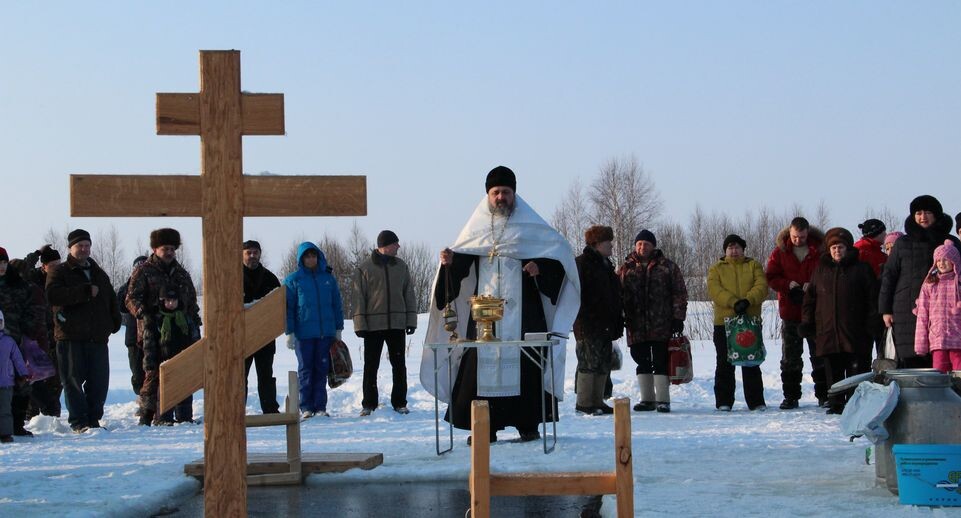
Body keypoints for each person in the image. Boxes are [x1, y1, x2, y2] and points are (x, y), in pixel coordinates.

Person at [420, 166, 580, 444]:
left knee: (526, 369)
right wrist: (449, 263)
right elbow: (460, 267)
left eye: (506, 192)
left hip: (524, 315)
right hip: (483, 317)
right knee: (478, 368)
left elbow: (558, 259)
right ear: (488, 196)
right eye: (496, 192)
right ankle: (484, 427)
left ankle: (527, 424)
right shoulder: (476, 230)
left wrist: (539, 267)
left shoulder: (530, 228)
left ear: (515, 195)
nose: (501, 197)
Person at [46, 229, 121, 433]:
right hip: (70, 336)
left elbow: (110, 299)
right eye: (80, 245)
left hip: (97, 337)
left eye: (87, 245)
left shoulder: (98, 273)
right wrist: (84, 292)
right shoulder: (59, 272)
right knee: (73, 381)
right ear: (70, 248)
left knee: (99, 382)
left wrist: (114, 320)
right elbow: (53, 295)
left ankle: (94, 420)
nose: (84, 249)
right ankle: (79, 422)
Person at [126, 229, 201, 422]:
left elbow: (191, 300)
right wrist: (144, 314)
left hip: (180, 331)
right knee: (153, 375)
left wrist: (193, 321)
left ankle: (183, 416)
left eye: (172, 249)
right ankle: (147, 416)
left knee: (182, 373)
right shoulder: (143, 271)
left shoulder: (182, 274)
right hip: (153, 331)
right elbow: (131, 298)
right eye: (164, 248)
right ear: (154, 249)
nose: (169, 252)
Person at [801, 228, 878, 414]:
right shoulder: (820, 270)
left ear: (848, 248)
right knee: (832, 371)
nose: (837, 251)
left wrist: (872, 323)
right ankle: (835, 403)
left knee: (856, 370)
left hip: (856, 332)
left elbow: (872, 299)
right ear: (829, 249)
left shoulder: (862, 269)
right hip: (827, 331)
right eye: (834, 247)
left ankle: (855, 405)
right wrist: (807, 322)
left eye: (841, 247)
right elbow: (810, 300)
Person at [879, 195, 961, 368]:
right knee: (912, 361)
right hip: (906, 310)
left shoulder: (951, 243)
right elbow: (889, 275)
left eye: (927, 212)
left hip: (947, 314)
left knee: (946, 363)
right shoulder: (902, 243)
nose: (923, 217)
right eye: (918, 213)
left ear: (936, 214)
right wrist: (885, 309)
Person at [618, 229, 687, 413]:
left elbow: (679, 293)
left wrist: (678, 317)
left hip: (661, 323)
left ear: (653, 246)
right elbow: (618, 294)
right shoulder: (626, 268)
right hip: (636, 324)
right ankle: (647, 399)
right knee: (641, 360)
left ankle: (663, 400)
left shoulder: (668, 266)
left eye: (646, 244)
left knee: (660, 360)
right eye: (639, 243)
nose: (642, 247)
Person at [352, 230, 417, 416]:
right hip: (373, 326)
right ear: (386, 245)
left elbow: (409, 294)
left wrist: (410, 320)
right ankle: (369, 403)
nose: (398, 246)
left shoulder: (402, 266)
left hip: (397, 324)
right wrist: (359, 324)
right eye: (395, 243)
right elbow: (359, 298)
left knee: (399, 365)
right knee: (370, 366)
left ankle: (400, 402)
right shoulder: (364, 268)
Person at [766, 217, 827, 410]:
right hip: (790, 311)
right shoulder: (780, 252)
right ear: (789, 233)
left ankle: (824, 394)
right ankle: (791, 396)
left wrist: (813, 284)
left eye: (801, 237)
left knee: (819, 355)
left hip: (815, 312)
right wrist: (787, 284)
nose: (797, 240)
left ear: (807, 233)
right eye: (794, 237)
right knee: (790, 357)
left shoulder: (820, 251)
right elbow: (771, 276)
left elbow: (827, 273)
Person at [708, 234, 769, 411]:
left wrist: (748, 301)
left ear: (743, 249)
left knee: (751, 361)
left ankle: (756, 401)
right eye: (730, 248)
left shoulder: (753, 265)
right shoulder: (716, 269)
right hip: (724, 323)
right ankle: (724, 401)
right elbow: (714, 290)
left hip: (749, 321)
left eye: (737, 248)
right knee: (724, 362)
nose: (734, 251)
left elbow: (762, 286)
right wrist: (733, 302)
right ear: (725, 251)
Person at [284, 242, 344, 419]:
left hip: (325, 333)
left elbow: (336, 305)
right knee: (306, 370)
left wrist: (338, 328)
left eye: (313, 256)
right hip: (304, 334)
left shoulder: (327, 279)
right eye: (307, 256)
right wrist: (290, 332)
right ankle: (306, 407)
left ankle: (320, 406)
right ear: (301, 259)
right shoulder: (293, 280)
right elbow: (289, 308)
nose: (311, 259)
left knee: (322, 369)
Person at [573, 225, 623, 416]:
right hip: (588, 323)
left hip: (605, 323)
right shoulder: (582, 263)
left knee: (602, 361)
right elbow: (578, 295)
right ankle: (585, 401)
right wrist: (587, 316)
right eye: (608, 242)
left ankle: (597, 400)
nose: (611, 246)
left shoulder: (606, 265)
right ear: (597, 243)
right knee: (588, 361)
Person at [17, 245, 63, 419]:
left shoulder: (62, 278)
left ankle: (52, 417)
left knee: (56, 379)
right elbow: (20, 268)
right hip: (35, 337)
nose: (57, 268)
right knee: (35, 378)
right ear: (43, 266)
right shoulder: (33, 279)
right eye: (53, 265)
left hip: (57, 336)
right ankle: (32, 415)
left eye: (59, 263)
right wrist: (36, 253)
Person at [140, 288, 194, 425]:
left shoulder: (185, 317)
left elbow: (194, 337)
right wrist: (150, 361)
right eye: (168, 301)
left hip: (183, 359)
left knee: (185, 389)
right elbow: (149, 342)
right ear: (162, 301)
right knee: (164, 391)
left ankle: (185, 417)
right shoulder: (157, 319)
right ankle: (163, 417)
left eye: (173, 300)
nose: (171, 304)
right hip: (163, 361)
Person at [242, 240, 281, 414]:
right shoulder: (232, 277)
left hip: (265, 335)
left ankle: (270, 408)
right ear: (242, 254)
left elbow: (279, 305)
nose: (252, 256)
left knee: (266, 375)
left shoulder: (270, 278)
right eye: (248, 252)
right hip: (241, 336)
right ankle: (236, 409)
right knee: (239, 376)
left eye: (255, 252)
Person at [913, 240, 961, 374]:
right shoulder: (930, 284)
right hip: (937, 339)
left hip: (958, 340)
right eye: (938, 260)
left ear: (954, 262)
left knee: (959, 374)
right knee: (939, 374)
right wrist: (921, 345)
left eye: (946, 259)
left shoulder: (959, 283)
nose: (942, 263)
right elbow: (922, 315)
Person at [117, 255, 147, 412]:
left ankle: (151, 401)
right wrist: (131, 282)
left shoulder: (151, 284)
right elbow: (120, 305)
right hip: (132, 337)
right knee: (137, 372)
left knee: (151, 370)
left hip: (150, 335)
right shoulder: (127, 286)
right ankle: (141, 396)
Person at [1, 309, 30, 443]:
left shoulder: (8, 341)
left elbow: (17, 359)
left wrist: (23, 373)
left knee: (5, 410)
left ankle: (5, 433)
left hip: (5, 383)